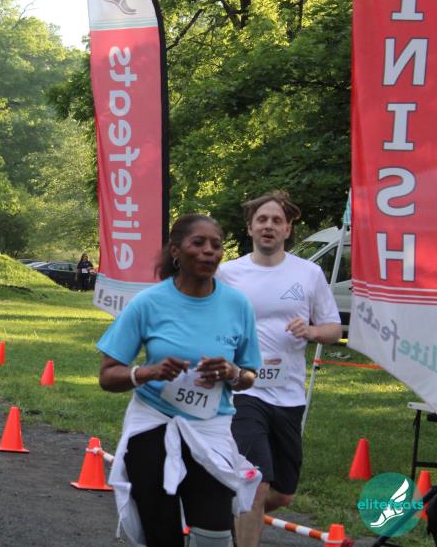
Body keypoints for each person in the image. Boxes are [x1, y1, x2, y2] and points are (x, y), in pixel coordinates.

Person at [97, 214, 262, 546]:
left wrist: (232, 373)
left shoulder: (237, 305)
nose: (208, 251)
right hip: (154, 426)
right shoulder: (148, 303)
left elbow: (249, 375)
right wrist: (147, 372)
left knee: (215, 535)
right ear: (176, 250)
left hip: (210, 430)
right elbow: (108, 375)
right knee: (162, 535)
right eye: (198, 243)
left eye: (216, 245)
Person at [217, 191, 342, 547]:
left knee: (283, 493)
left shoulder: (309, 273)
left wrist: (312, 331)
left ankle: (227, 510)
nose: (268, 226)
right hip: (245, 392)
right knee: (256, 483)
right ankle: (241, 520)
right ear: (250, 227)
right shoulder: (228, 274)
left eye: (276, 220)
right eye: (262, 220)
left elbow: (334, 329)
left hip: (288, 395)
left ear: (288, 229)